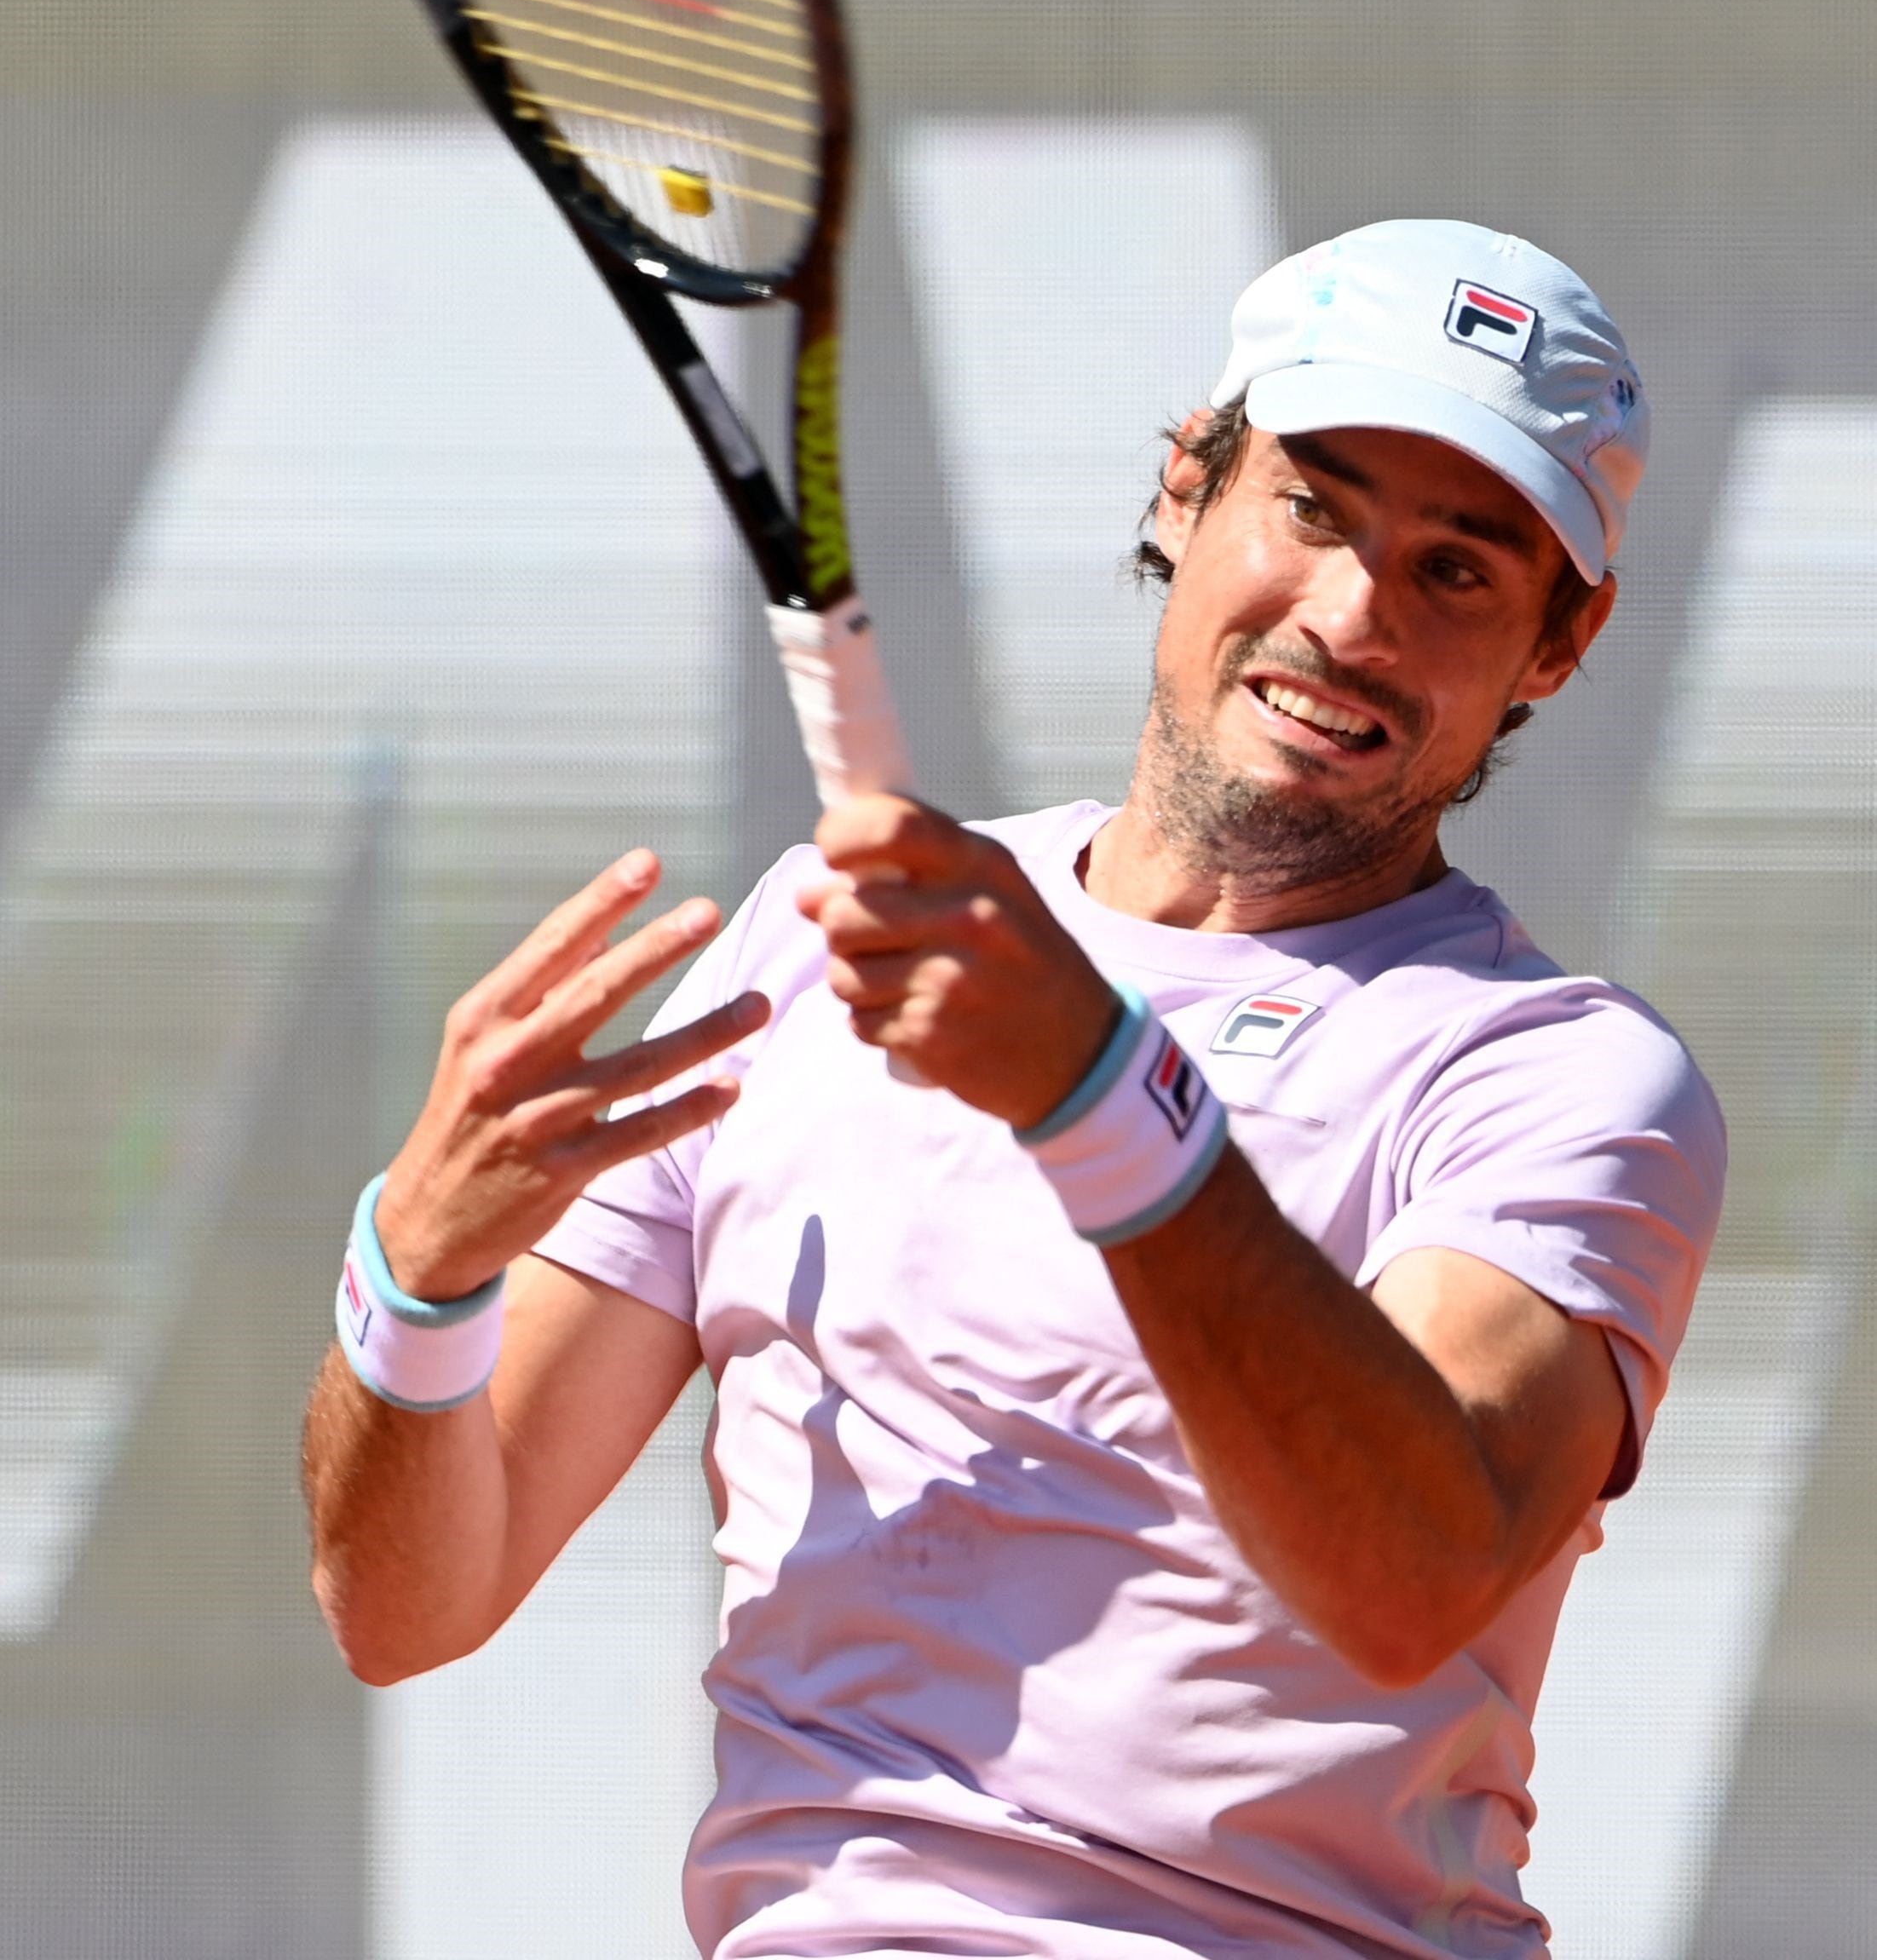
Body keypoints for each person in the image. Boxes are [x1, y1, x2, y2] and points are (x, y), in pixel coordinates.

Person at [299, 220, 1725, 1958]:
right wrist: (419, 1278)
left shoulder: (1563, 1078)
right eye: (1316, 507)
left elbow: (1411, 1578)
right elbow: (404, 1606)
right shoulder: (812, 946)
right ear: (1184, 493)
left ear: (1559, 644)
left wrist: (1098, 1094)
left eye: (1459, 571)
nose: (1353, 615)